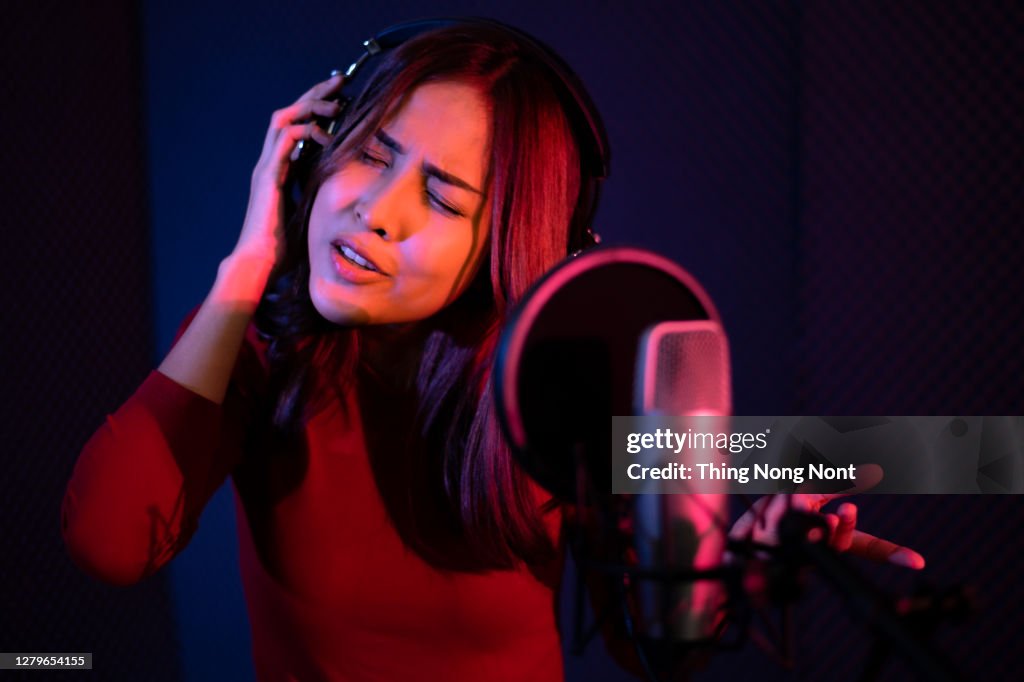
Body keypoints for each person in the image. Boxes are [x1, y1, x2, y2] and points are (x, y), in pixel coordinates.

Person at [61, 19, 923, 682]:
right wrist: (244, 270)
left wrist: (725, 567)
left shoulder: (557, 389)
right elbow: (107, 541)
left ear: (506, 244)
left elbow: (654, 647)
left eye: (441, 196)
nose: (377, 211)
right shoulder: (247, 347)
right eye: (369, 154)